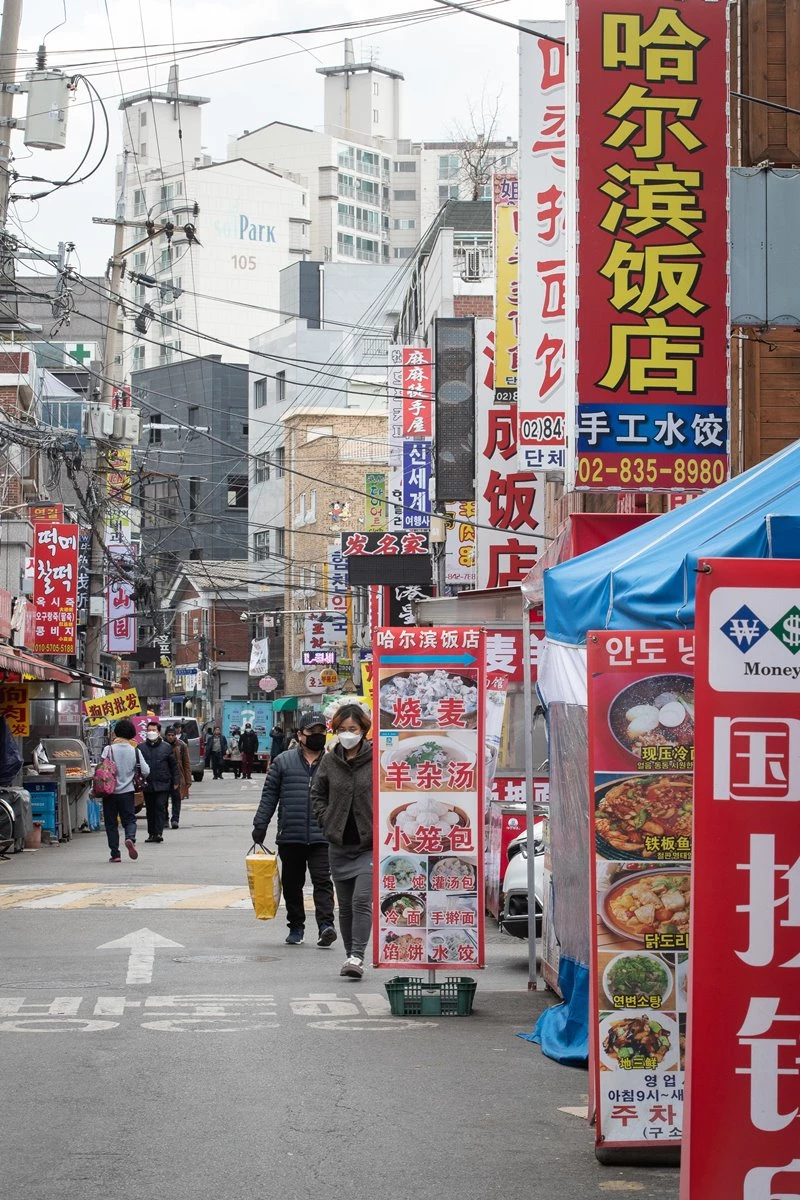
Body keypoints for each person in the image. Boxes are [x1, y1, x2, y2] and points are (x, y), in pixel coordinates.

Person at [251, 710, 336, 948]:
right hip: (291, 835)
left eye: (322, 732)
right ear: (300, 735)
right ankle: (296, 926)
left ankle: (325, 926)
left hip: (322, 836)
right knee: (292, 883)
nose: (318, 736)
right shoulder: (283, 761)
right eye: (312, 732)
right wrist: (260, 824)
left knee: (322, 882)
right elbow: (269, 796)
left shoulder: (333, 762)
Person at [311, 704, 373, 979]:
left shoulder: (377, 758)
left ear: (363, 731)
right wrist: (326, 820)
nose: (348, 734)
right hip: (338, 844)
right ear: (335, 731)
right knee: (345, 906)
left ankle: (358, 957)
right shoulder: (329, 760)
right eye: (343, 730)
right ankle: (351, 956)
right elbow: (317, 794)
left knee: (361, 900)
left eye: (353, 729)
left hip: (369, 844)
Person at [99, 717, 149, 863]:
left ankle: (115, 854)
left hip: (109, 792)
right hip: (127, 792)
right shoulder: (135, 751)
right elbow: (145, 771)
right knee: (129, 820)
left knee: (111, 823)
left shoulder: (108, 750)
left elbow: (101, 770)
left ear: (116, 732)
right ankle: (130, 838)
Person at [139, 720, 179, 843]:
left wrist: (176, 780)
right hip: (148, 784)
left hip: (163, 783)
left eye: (154, 730)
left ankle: (158, 833)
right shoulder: (141, 748)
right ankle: (151, 833)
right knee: (150, 810)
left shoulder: (166, 747)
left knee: (160, 807)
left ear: (158, 732)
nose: (151, 732)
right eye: (149, 730)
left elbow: (174, 765)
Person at [165, 725, 191, 828]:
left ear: (175, 735)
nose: (170, 737)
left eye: (172, 735)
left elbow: (186, 763)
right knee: (163, 801)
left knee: (177, 799)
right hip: (165, 777)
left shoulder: (181, 745)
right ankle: (165, 819)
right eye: (168, 735)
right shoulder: (162, 745)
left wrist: (188, 780)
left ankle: (175, 819)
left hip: (178, 777)